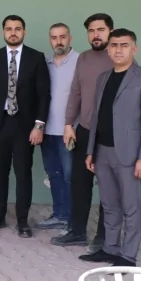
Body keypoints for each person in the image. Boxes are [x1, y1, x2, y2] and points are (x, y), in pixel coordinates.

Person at [81, 29, 141, 267]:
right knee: (109, 204)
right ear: (108, 50)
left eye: (124, 45)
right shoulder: (103, 78)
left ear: (134, 49)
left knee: (131, 207)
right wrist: (91, 151)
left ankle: (128, 256)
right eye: (114, 45)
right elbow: (96, 117)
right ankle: (110, 248)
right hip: (102, 151)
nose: (118, 50)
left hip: (130, 155)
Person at [0, 15, 50, 238]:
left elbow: (43, 95)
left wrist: (39, 126)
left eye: (17, 29)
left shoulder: (36, 58)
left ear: (24, 32)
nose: (13, 32)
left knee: (23, 174)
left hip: (24, 127)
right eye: (9, 29)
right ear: (3, 32)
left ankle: (22, 220)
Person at [51, 14, 114, 250]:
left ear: (110, 31)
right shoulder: (84, 58)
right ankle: (77, 231)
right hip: (85, 130)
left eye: (100, 30)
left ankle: (104, 238)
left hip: (110, 134)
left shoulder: (118, 57)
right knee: (80, 183)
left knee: (107, 187)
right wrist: (69, 124)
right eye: (91, 31)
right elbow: (76, 92)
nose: (96, 35)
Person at [36, 23, 78, 231]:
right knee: (54, 174)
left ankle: (72, 220)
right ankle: (59, 214)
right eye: (54, 37)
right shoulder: (45, 63)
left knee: (70, 176)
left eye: (63, 36)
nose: (58, 41)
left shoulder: (80, 61)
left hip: (69, 131)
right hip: (47, 130)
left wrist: (73, 125)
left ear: (70, 38)